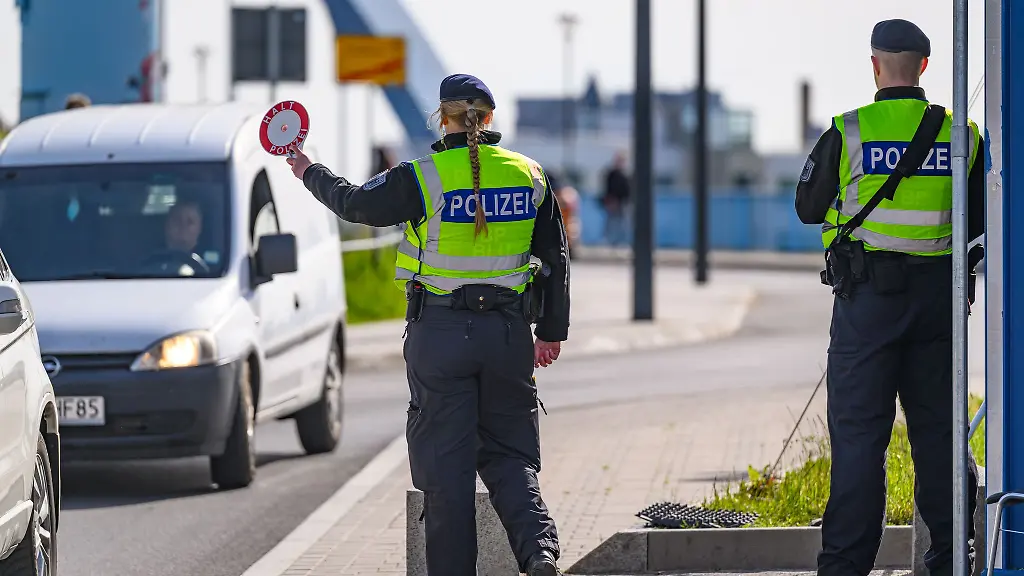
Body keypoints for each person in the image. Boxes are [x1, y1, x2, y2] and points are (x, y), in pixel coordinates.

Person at [285, 74, 568, 576]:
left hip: (440, 336)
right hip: (507, 337)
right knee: (509, 455)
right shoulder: (532, 175)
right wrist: (550, 331)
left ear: (444, 117)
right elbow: (554, 258)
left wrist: (307, 168)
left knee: (447, 475)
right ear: (491, 117)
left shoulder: (424, 175)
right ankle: (540, 555)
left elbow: (356, 203)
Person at [795, 19, 982, 576]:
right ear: (924, 65)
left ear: (874, 65)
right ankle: (953, 559)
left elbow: (809, 208)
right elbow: (979, 224)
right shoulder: (961, 136)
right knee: (940, 438)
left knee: (858, 440)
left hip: (867, 304)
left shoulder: (848, 131)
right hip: (937, 304)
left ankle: (845, 566)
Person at [600, 151, 631, 246]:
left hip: (622, 203)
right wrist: (609, 200)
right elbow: (608, 188)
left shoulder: (625, 175)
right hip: (613, 202)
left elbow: (627, 190)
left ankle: (620, 242)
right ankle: (609, 240)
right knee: (611, 222)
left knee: (622, 223)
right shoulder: (612, 174)